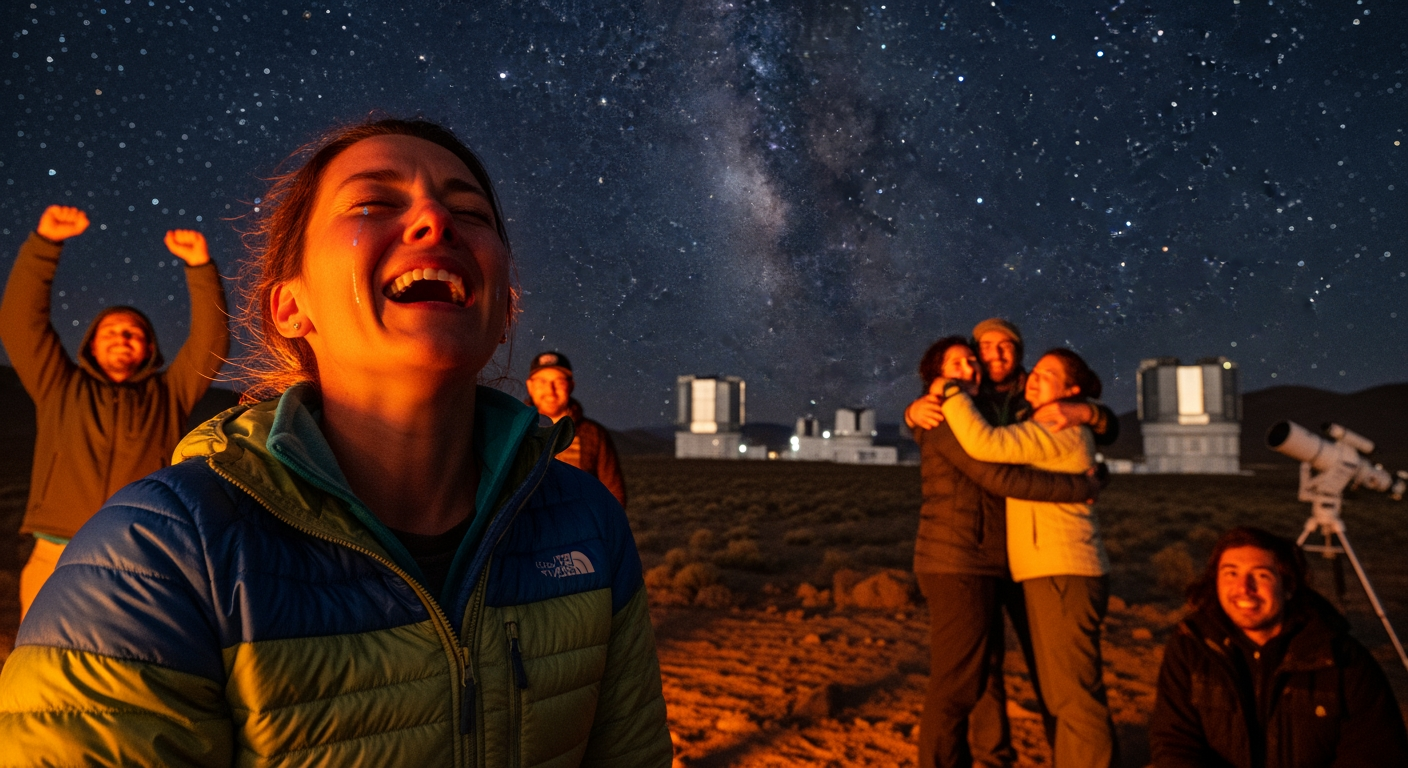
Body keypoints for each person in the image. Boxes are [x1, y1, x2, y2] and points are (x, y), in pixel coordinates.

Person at [0, 119, 673, 766]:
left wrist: (201, 271)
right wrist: (43, 246)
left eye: (471, 213)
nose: (435, 221)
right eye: (374, 202)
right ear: (290, 307)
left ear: (503, 311)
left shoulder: (587, 525)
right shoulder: (156, 561)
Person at [0, 205, 228, 620]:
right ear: (91, 343)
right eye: (110, 331)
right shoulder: (59, 386)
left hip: (137, 545)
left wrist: (200, 268)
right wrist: (45, 244)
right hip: (56, 546)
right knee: (37, 662)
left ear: (149, 349)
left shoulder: (170, 394)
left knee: (128, 664)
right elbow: (21, 324)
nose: (122, 337)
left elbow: (209, 344)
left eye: (134, 333)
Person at [910, 336, 1105, 768]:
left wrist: (1092, 413)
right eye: (959, 363)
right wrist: (1082, 488)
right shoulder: (946, 413)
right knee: (961, 681)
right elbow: (996, 474)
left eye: (971, 363)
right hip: (959, 558)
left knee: (1042, 676)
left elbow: (1085, 426)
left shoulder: (1015, 405)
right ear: (936, 375)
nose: (974, 368)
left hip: (1011, 558)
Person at [1150, 527, 1408, 768]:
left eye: (1261, 575)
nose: (1243, 588)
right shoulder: (1192, 647)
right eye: (1231, 573)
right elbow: (1175, 743)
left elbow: (1374, 754)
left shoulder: (1339, 659)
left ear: (1288, 586)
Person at [525, 350, 627, 508]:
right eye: (542, 382)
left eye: (559, 382)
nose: (550, 391)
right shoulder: (513, 430)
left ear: (571, 385)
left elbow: (614, 494)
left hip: (581, 530)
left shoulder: (594, 434)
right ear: (530, 386)